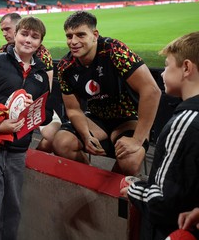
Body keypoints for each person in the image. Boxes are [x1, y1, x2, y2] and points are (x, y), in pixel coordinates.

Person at [0, 16, 52, 240]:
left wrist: (34, 109)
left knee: (11, 210)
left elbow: (47, 114)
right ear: (16, 35)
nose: (28, 40)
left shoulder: (41, 74)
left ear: (40, 43)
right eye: (24, 34)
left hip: (17, 151)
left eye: (35, 37)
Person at [52, 11, 161, 176]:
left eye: (81, 35)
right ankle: (92, 182)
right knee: (61, 143)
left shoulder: (113, 50)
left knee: (130, 161)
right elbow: (73, 109)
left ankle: (111, 192)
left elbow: (151, 91)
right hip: (97, 119)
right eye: (69, 36)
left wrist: (137, 140)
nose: (73, 42)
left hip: (128, 118)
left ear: (95, 35)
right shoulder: (65, 66)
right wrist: (86, 136)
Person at [121, 31, 199, 240]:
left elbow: (163, 201)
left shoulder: (185, 123)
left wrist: (133, 188)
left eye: (166, 65)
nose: (163, 73)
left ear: (186, 68)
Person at [0, 12, 61, 152]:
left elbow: (46, 90)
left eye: (7, 29)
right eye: (2, 30)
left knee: (51, 135)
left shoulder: (43, 54)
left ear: (17, 28)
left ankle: (34, 157)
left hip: (33, 104)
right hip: (5, 104)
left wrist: (31, 107)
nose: (4, 33)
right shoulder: (1, 52)